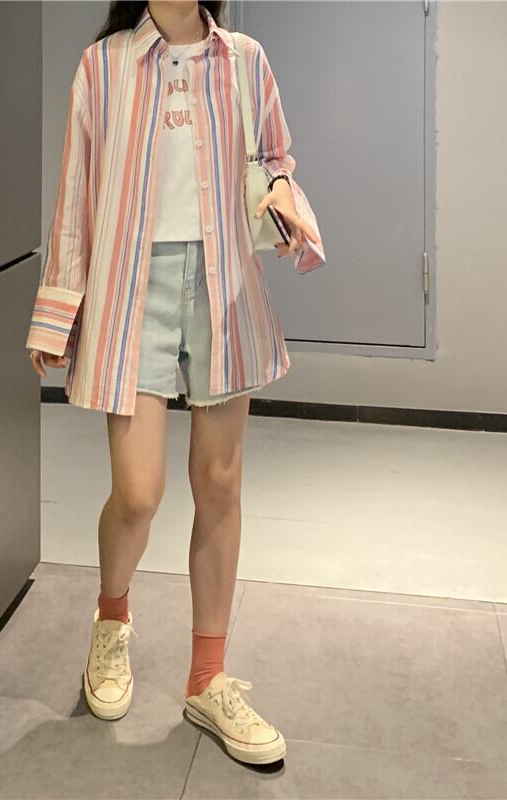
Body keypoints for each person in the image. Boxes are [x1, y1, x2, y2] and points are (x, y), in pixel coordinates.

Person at [27, 0, 325, 766]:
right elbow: (75, 198)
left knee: (219, 485)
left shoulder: (246, 60)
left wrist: (282, 194)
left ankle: (207, 677)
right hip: (130, 289)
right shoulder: (102, 66)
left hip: (224, 288)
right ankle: (112, 619)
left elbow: (276, 158)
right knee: (138, 493)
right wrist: (56, 312)